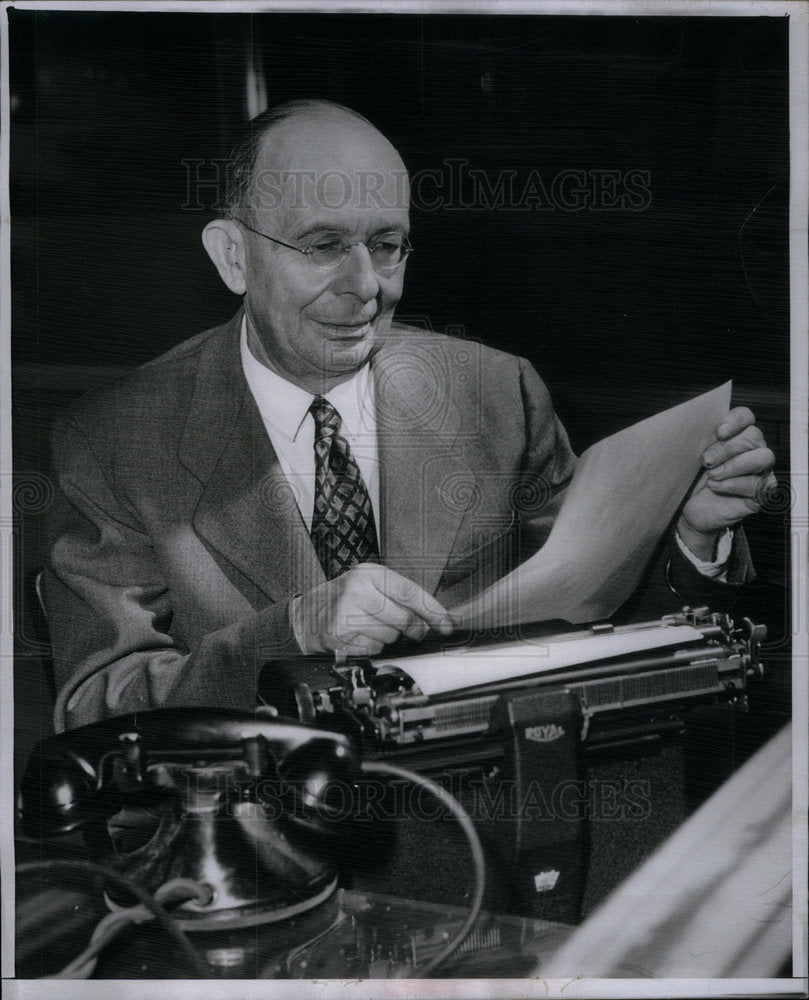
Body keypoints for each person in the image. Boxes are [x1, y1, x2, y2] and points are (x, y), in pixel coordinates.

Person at [43, 99, 776, 732]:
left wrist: (692, 532)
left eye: (386, 246)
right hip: (263, 844)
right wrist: (291, 631)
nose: (364, 287)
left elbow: (594, 610)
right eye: (323, 245)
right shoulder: (114, 440)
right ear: (233, 257)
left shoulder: (497, 393)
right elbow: (96, 705)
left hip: (494, 808)